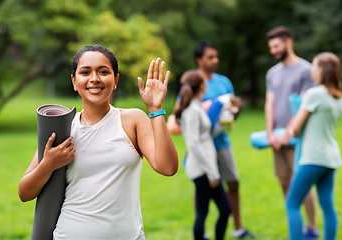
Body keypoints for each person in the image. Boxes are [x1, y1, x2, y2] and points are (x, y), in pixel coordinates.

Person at [18, 44, 178, 240]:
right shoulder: (63, 128)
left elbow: (167, 167)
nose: (95, 78)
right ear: (74, 81)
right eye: (85, 72)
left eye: (103, 71)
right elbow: (24, 193)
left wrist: (156, 108)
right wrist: (48, 164)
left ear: (115, 80)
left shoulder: (133, 120)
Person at [170, 41, 255, 239]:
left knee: (231, 187)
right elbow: (180, 124)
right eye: (210, 57)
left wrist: (236, 110)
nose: (215, 60)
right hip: (202, 153)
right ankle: (202, 232)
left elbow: (224, 119)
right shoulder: (191, 91)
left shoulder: (224, 82)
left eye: (217, 56)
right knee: (203, 196)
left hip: (220, 143)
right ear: (199, 60)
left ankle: (237, 228)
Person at [265, 26, 319, 238]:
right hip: (276, 138)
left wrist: (288, 132)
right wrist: (270, 133)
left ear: (288, 42)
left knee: (302, 183)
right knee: (285, 182)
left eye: (276, 45)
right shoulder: (272, 73)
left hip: (297, 138)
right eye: (271, 47)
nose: (273, 51)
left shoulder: (306, 70)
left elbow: (303, 105)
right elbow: (270, 103)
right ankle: (296, 225)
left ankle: (312, 228)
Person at [285, 52, 342, 240]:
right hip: (330, 158)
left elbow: (294, 129)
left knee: (292, 203)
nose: (311, 70)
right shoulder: (339, 98)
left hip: (313, 157)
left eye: (313, 66)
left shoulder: (314, 94)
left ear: (321, 70)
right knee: (328, 206)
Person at [175, 69, 231, 240]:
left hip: (207, 168)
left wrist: (222, 125)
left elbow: (204, 135)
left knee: (220, 209)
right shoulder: (191, 110)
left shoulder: (196, 106)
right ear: (201, 85)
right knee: (207, 211)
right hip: (203, 171)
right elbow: (194, 143)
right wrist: (212, 173)